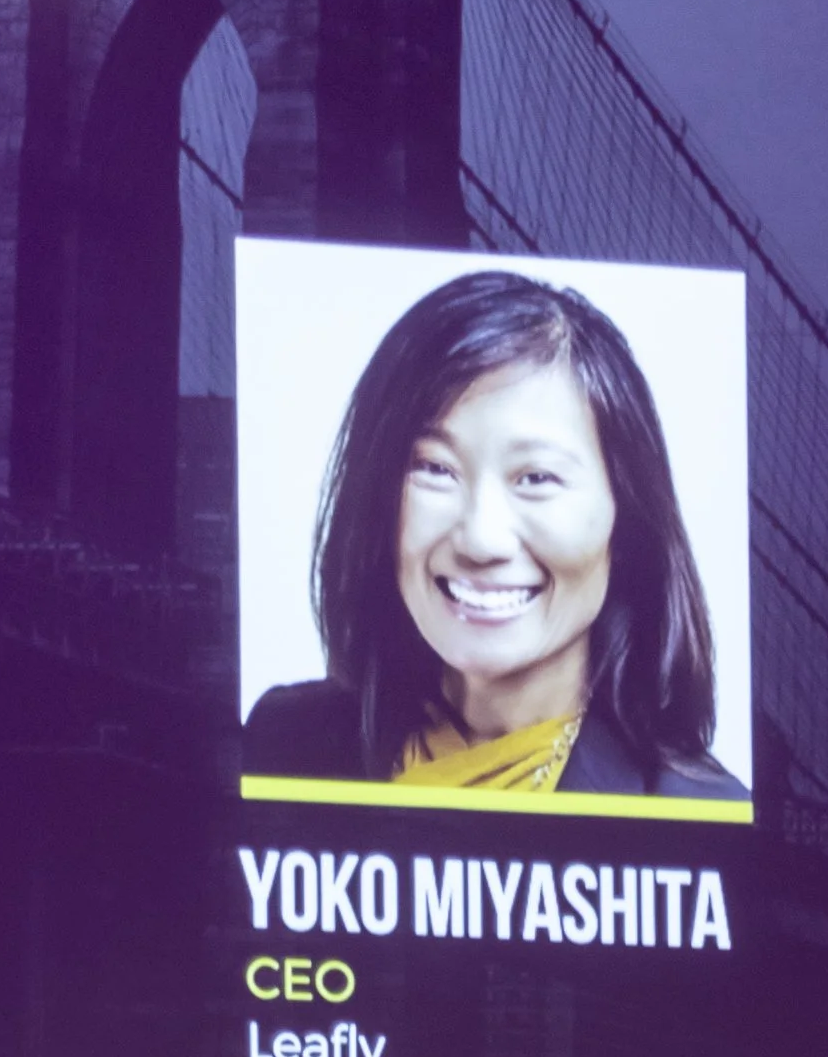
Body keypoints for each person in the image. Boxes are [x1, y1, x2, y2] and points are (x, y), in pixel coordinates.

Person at [240, 266, 746, 805]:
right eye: (435, 468)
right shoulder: (284, 744)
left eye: (536, 478)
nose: (480, 541)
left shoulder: (698, 813)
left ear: (626, 523)